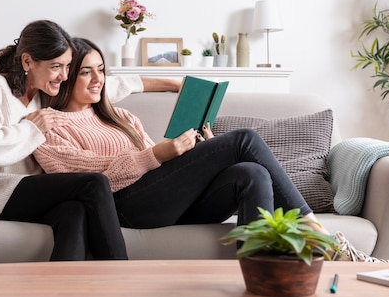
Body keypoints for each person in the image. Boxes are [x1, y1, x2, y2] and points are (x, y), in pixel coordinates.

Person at [33, 37, 331, 234]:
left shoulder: (122, 116)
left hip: (169, 202)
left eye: (101, 70)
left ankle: (257, 272)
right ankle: (317, 233)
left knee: (250, 173)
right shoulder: (50, 126)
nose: (98, 79)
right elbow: (88, 181)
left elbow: (160, 168)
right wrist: (157, 154)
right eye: (86, 72)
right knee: (244, 140)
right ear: (66, 76)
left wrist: (199, 152)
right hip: (124, 207)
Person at [0, 20, 180, 261]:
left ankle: (62, 288)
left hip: (41, 189)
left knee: (75, 212)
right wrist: (32, 128)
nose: (64, 75)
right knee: (93, 184)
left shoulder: (46, 88)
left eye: (67, 66)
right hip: (0, 189)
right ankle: (119, 275)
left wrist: (174, 83)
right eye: (56, 67)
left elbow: (112, 85)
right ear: (27, 61)